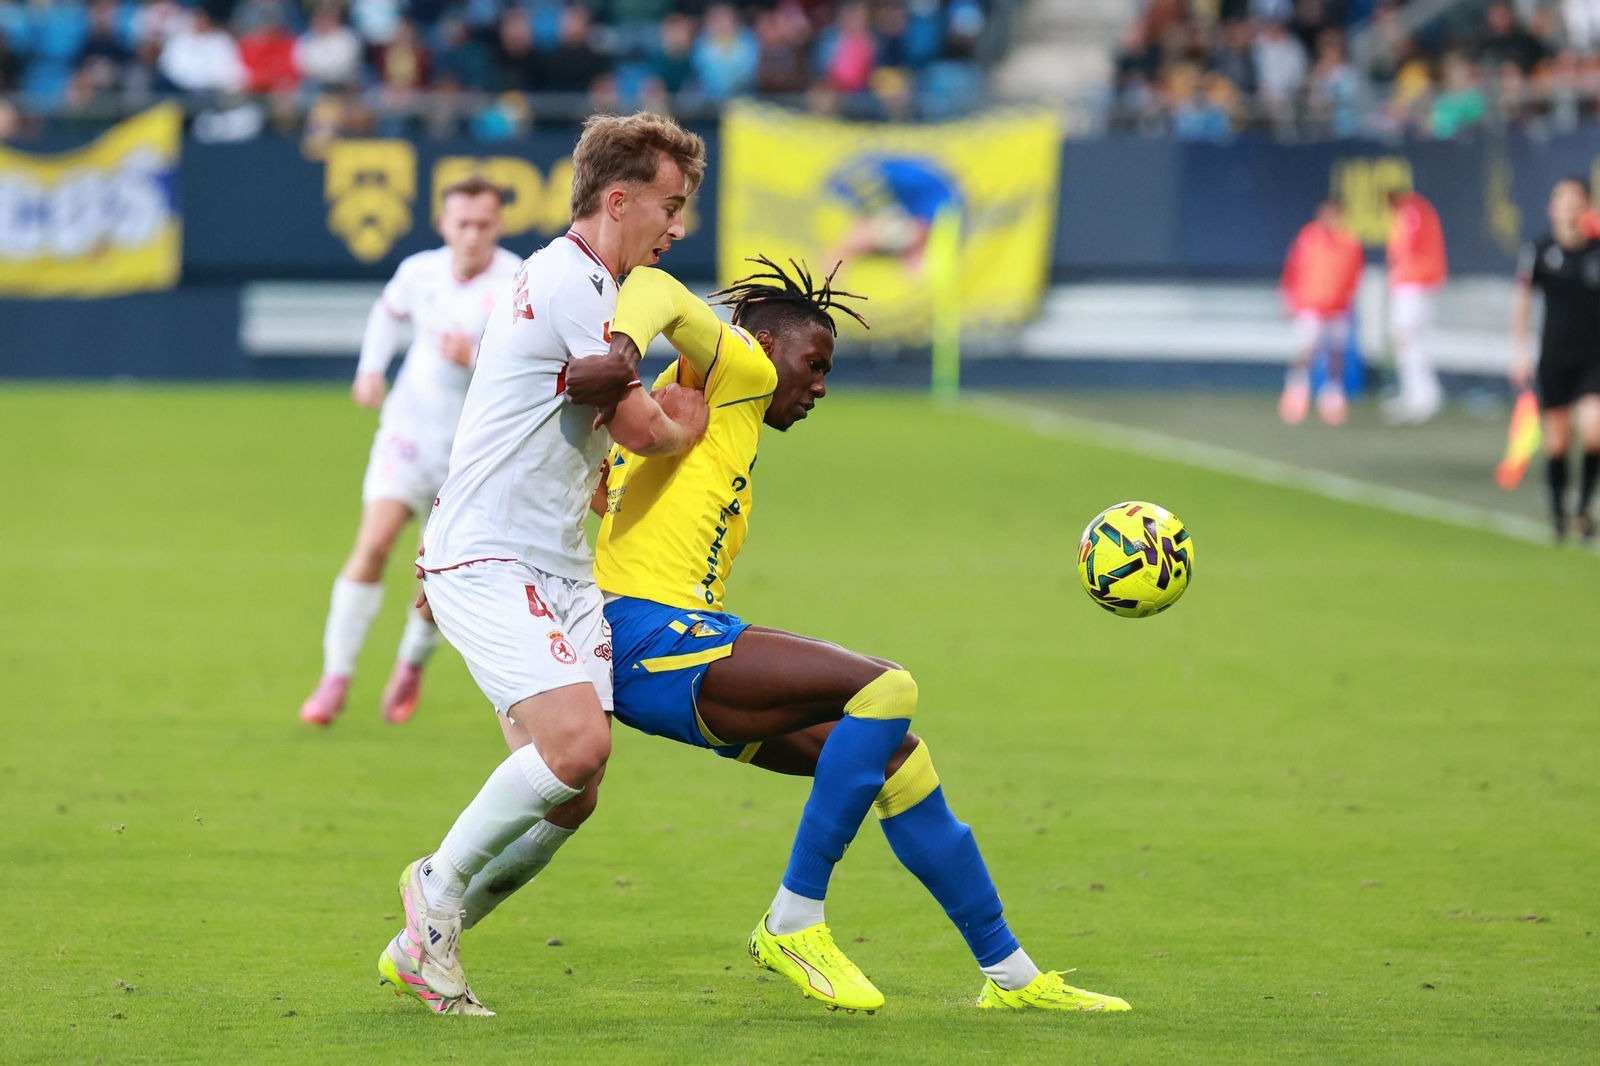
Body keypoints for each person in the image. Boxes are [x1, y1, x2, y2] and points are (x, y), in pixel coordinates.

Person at [450, 259, 1133, 1015]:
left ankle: (1011, 977)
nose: (820, 386)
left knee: (895, 757)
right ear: (764, 343)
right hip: (649, 633)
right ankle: (794, 919)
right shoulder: (737, 364)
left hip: (664, 636)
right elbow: (659, 289)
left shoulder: (688, 403)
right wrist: (621, 348)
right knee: (887, 686)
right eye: (814, 364)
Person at [377, 112, 710, 1016]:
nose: (677, 227)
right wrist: (691, 420)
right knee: (576, 746)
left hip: (556, 561)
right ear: (617, 197)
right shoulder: (573, 282)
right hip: (490, 552)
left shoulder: (596, 285)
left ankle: (420, 947)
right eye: (670, 206)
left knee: (575, 793)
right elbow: (646, 428)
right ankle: (435, 893)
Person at [299, 177, 521, 728]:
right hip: (409, 432)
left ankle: (410, 665)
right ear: (443, 224)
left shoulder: (518, 281)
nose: (472, 235)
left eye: (483, 224)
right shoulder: (419, 272)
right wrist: (370, 368)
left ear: (498, 226)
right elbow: (388, 313)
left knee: (436, 578)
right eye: (462, 223)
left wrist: (475, 356)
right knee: (373, 544)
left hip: (471, 453)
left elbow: (527, 368)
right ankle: (335, 677)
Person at [1511, 176, 1600, 544]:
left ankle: (1583, 507)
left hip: (1594, 357)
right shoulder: (1539, 250)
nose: (1567, 207)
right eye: (1560, 200)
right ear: (1552, 207)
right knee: (1558, 443)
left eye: (1574, 201)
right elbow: (1524, 303)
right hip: (1555, 357)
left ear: (1586, 207)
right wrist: (1520, 352)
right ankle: (1559, 515)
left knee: (1594, 430)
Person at [1279, 199, 1364, 426]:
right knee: (1305, 350)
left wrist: (1345, 301)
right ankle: (1297, 391)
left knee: (1336, 351)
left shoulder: (1349, 241)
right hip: (1310, 304)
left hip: (1337, 307)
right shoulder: (1308, 237)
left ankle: (1332, 395)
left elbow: (1354, 275)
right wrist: (1290, 298)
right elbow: (1293, 269)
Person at [1384, 187, 1448, 424]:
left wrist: (1396, 274)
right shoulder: (1417, 210)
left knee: (1407, 337)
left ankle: (1422, 396)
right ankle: (1417, 393)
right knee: (1411, 339)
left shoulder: (1411, 212)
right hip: (1419, 282)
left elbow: (1407, 249)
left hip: (1415, 282)